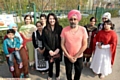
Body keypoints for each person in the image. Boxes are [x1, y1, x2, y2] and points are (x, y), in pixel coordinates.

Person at [61, 10, 88, 80]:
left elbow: (85, 45)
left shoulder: (83, 30)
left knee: (78, 72)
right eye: (71, 19)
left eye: (74, 19)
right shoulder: (64, 30)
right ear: (69, 20)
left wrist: (76, 56)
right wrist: (69, 56)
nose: (73, 21)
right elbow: (62, 44)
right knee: (68, 72)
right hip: (67, 56)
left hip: (79, 56)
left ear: (78, 20)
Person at [42, 13, 63, 80]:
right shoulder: (45, 29)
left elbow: (62, 40)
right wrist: (49, 50)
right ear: (48, 20)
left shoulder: (60, 28)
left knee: (57, 64)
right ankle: (50, 75)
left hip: (58, 49)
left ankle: (57, 75)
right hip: (49, 50)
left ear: (55, 19)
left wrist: (58, 49)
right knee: (50, 63)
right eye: (50, 19)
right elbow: (44, 41)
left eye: (53, 18)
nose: (52, 20)